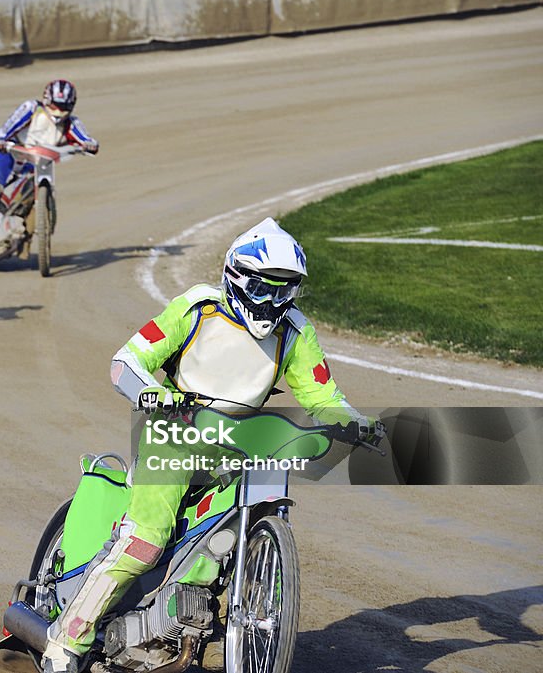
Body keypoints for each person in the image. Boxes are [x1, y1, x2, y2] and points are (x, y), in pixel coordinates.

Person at [39, 217, 385, 672]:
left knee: (228, 540)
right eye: (263, 287)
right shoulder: (197, 308)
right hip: (174, 435)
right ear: (237, 277)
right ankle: (66, 643)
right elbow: (127, 361)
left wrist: (353, 423)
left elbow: (323, 395)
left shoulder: (296, 333)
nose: (272, 301)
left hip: (240, 447)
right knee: (145, 540)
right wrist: (153, 393)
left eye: (284, 290)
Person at [0, 79, 99, 268]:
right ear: (46, 99)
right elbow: (6, 128)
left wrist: (90, 145)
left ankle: (22, 239)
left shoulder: (71, 123)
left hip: (35, 166)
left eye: (64, 107)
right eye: (55, 105)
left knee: (27, 202)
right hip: (9, 158)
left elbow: (85, 138)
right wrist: (2, 139)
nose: (59, 111)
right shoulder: (31, 108)